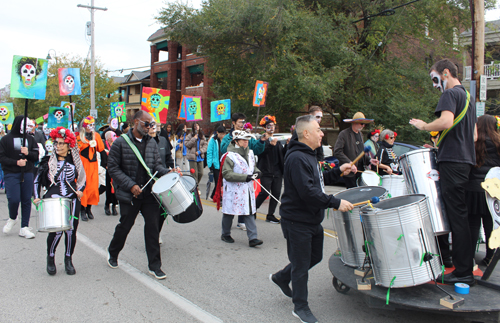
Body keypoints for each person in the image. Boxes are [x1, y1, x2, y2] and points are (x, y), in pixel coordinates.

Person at [270, 115, 355, 323]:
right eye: (318, 129)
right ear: (306, 133)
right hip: (296, 220)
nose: (322, 133)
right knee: (301, 265)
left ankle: (281, 277)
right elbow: (307, 191)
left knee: (314, 257)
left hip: (311, 219)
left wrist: (338, 172)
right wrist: (335, 202)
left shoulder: (309, 155)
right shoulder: (296, 157)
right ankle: (300, 307)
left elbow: (318, 180)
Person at [410, 59, 477, 285]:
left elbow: (446, 121)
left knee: (455, 216)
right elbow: (474, 135)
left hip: (452, 162)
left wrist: (424, 126)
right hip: (466, 161)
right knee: (461, 215)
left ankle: (462, 271)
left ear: (445, 73)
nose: (434, 84)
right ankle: (463, 266)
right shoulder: (467, 97)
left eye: (434, 78)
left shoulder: (449, 94)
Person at [107, 111, 177, 280]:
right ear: (136, 122)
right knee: (125, 225)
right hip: (129, 194)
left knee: (153, 226)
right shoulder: (120, 143)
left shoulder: (152, 142)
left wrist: (169, 172)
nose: (150, 127)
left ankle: (155, 266)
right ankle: (113, 253)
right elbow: (113, 168)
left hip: (148, 194)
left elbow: (157, 167)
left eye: (151, 124)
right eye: (147, 124)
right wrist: (130, 185)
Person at [33, 127, 86, 275]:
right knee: (56, 231)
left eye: (62, 143)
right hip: (54, 198)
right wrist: (37, 196)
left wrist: (81, 189)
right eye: (56, 143)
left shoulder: (75, 162)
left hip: (72, 199)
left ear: (69, 146)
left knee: (70, 230)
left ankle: (68, 259)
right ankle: (50, 257)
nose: (58, 146)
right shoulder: (47, 162)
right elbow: (37, 181)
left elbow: (82, 178)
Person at [215, 130, 263, 247]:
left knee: (248, 212)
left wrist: (257, 172)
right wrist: (244, 177)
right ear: (236, 141)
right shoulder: (229, 156)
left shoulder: (250, 153)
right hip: (233, 190)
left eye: (247, 140)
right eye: (243, 140)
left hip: (247, 190)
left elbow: (253, 167)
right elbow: (227, 174)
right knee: (229, 212)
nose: (246, 142)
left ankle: (253, 238)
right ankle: (225, 234)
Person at [221, 113, 268, 230]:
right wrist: (234, 143)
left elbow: (255, 150)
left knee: (246, 201)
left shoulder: (247, 136)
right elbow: (224, 151)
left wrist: (261, 141)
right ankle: (226, 232)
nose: (242, 124)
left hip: (246, 177)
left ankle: (245, 225)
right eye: (240, 122)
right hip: (233, 174)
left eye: (243, 121)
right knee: (232, 205)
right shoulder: (228, 138)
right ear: (234, 123)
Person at [466, 115, 500, 266]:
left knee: (473, 224)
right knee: (490, 223)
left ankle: (470, 257)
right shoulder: (498, 143)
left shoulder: (472, 143)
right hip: (493, 189)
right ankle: (490, 257)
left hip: (473, 188)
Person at [0, 116, 39, 238]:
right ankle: (12, 217)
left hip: (27, 172)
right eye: (24, 125)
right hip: (11, 173)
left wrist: (29, 153)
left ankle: (24, 227)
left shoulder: (30, 139)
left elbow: (36, 155)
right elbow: (1, 158)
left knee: (27, 199)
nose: (26, 128)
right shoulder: (5, 140)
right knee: (14, 199)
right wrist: (16, 162)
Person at [333, 111, 378, 188]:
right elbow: (337, 151)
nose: (363, 126)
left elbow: (361, 152)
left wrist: (370, 160)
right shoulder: (344, 134)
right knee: (351, 193)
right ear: (355, 123)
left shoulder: (360, 134)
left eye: (364, 124)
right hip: (349, 170)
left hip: (360, 170)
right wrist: (350, 163)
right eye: (361, 123)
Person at [255, 115, 284, 224]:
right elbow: (260, 153)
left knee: (276, 194)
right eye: (269, 126)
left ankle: (270, 215)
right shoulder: (263, 140)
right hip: (266, 171)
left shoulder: (277, 140)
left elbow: (282, 155)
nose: (271, 128)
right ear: (264, 128)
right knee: (264, 193)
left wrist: (288, 146)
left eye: (273, 126)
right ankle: (252, 210)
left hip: (277, 172)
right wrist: (271, 145)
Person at [77, 116, 105, 221]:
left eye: (93, 125)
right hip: (83, 165)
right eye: (90, 125)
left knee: (93, 188)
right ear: (85, 126)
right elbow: (76, 150)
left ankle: (89, 208)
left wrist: (104, 162)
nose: (92, 127)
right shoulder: (79, 137)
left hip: (93, 165)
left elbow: (101, 149)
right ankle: (82, 210)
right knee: (84, 187)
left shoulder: (96, 136)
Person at [206, 126, 226, 200]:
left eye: (224, 134)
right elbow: (209, 152)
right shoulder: (213, 140)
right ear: (217, 133)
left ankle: (213, 195)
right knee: (218, 182)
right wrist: (210, 164)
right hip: (215, 164)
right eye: (221, 134)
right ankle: (218, 197)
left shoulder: (225, 140)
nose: (222, 136)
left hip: (223, 163)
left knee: (222, 181)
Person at [103, 131, 118, 215]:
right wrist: (105, 165)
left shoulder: (115, 144)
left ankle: (114, 205)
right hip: (108, 169)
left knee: (115, 188)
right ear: (108, 138)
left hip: (115, 169)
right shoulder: (104, 145)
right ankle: (107, 205)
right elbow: (102, 156)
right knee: (109, 188)